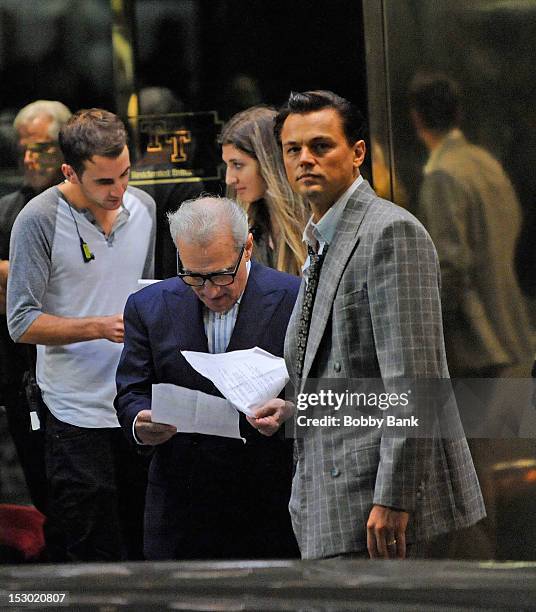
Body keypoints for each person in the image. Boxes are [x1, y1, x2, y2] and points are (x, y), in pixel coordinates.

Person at [247, 90, 486, 560]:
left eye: (321, 146)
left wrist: (395, 498)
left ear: (357, 153)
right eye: (293, 150)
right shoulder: (320, 237)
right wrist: (296, 409)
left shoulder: (390, 232)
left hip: (383, 509)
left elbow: (414, 379)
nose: (305, 160)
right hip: (333, 497)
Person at [7, 108, 156, 562]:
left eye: (126, 174)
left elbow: (144, 294)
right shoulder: (38, 219)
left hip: (135, 406)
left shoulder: (144, 208)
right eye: (104, 182)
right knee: (91, 550)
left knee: (144, 542)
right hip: (73, 413)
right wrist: (97, 327)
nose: (119, 191)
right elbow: (21, 322)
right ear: (70, 171)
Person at [115, 195, 300, 560]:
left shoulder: (294, 297)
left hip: (268, 501)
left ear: (247, 246)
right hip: (181, 504)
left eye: (221, 274)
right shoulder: (149, 305)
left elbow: (320, 387)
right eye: (195, 277)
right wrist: (141, 421)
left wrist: (290, 410)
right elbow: (130, 392)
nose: (212, 291)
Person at [409, 73, 535, 558]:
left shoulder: (442, 175)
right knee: (500, 476)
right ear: (458, 113)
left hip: (474, 347)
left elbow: (451, 265)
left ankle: (483, 585)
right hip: (511, 333)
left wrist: (426, 334)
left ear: (417, 118)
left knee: (476, 485)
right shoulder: (484, 163)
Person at [0, 100, 71, 515]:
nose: (29, 158)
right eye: (25, 147)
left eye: (42, 147)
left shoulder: (84, 204)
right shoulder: (8, 209)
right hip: (19, 366)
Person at [221, 106, 307, 275]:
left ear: (268, 162)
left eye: (237, 165)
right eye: (227, 165)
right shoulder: (248, 227)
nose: (229, 179)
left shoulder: (312, 225)